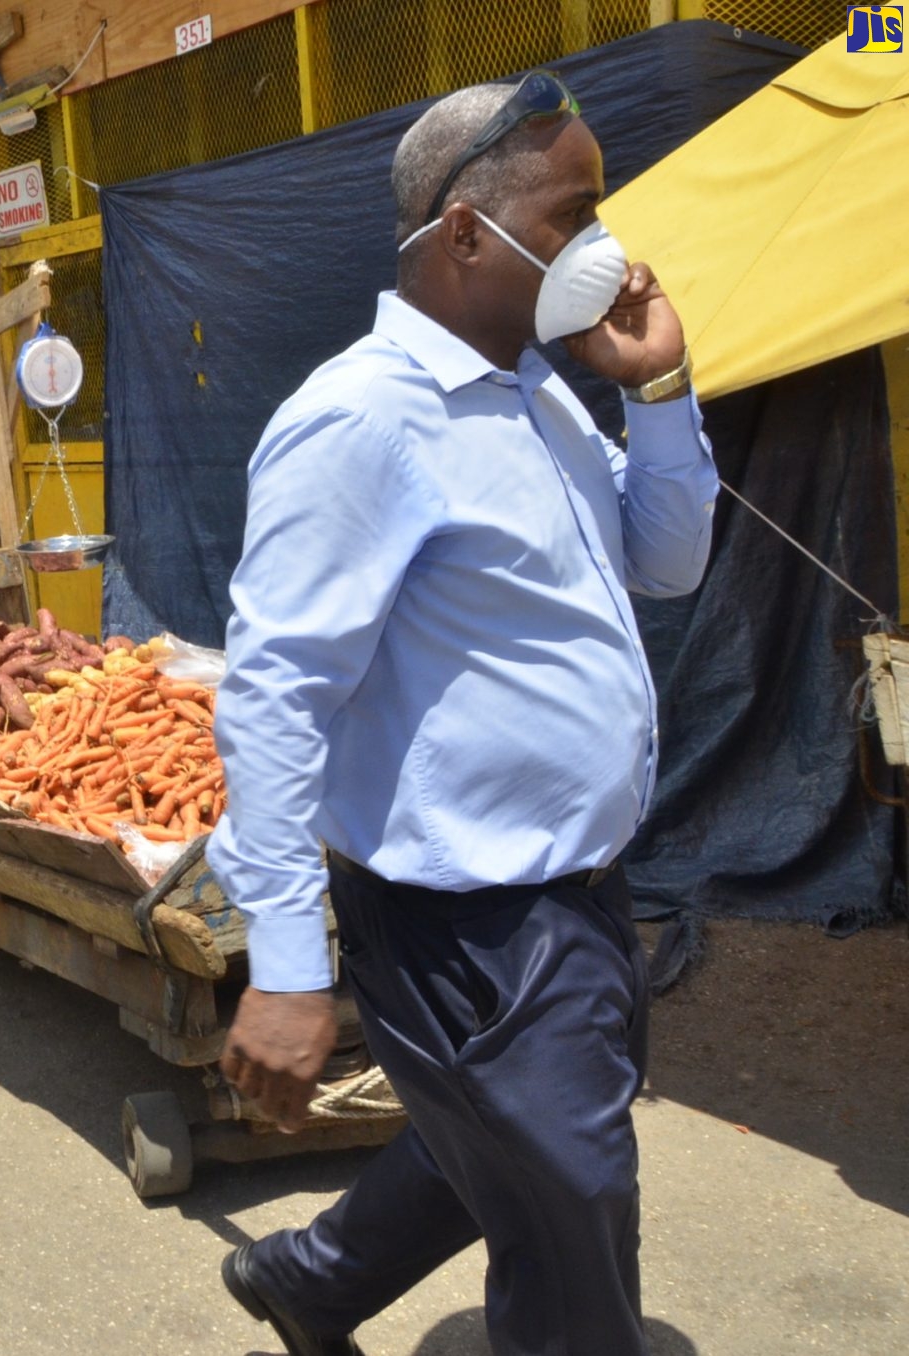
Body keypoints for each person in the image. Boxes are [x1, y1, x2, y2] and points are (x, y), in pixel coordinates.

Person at [207, 74, 715, 1356]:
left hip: (577, 893)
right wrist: (282, 966)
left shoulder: (537, 391)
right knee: (575, 1214)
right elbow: (274, 697)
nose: (605, 247)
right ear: (464, 237)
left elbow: (665, 561)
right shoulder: (359, 421)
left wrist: (652, 396)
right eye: (574, 214)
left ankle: (310, 1282)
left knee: (494, 1138)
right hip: (464, 930)